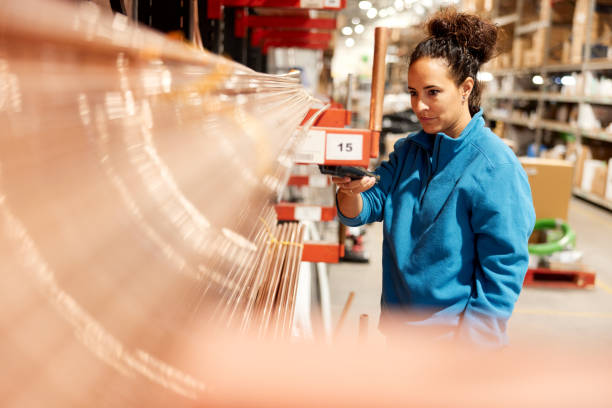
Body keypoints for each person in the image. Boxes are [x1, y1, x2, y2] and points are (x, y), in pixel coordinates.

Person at [333, 9, 535, 347]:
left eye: (432, 92)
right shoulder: (409, 152)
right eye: (413, 93)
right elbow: (362, 208)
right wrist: (349, 191)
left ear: (465, 88)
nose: (419, 106)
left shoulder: (495, 166)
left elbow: (503, 270)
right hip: (398, 335)